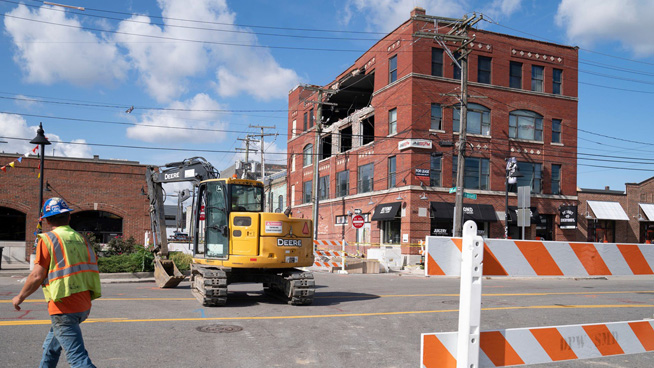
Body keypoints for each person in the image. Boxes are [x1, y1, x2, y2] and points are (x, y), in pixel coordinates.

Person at [12, 197, 101, 368]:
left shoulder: (47, 239)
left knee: (78, 359)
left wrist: (20, 297)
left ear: (46, 220)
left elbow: (37, 276)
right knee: (51, 348)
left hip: (63, 306)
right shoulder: (82, 239)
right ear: (68, 217)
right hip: (83, 305)